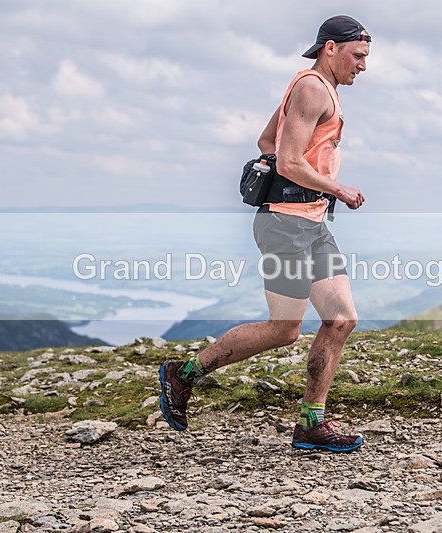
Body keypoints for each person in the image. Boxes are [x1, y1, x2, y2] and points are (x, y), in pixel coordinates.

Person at [159, 15, 371, 453]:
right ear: (331, 48)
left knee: (341, 320)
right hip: (287, 226)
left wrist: (306, 192)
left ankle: (311, 424)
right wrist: (336, 188)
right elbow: (289, 161)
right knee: (284, 329)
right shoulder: (312, 86)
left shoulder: (316, 88)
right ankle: (184, 375)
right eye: (358, 56)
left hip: (309, 222)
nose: (363, 66)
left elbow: (266, 141)